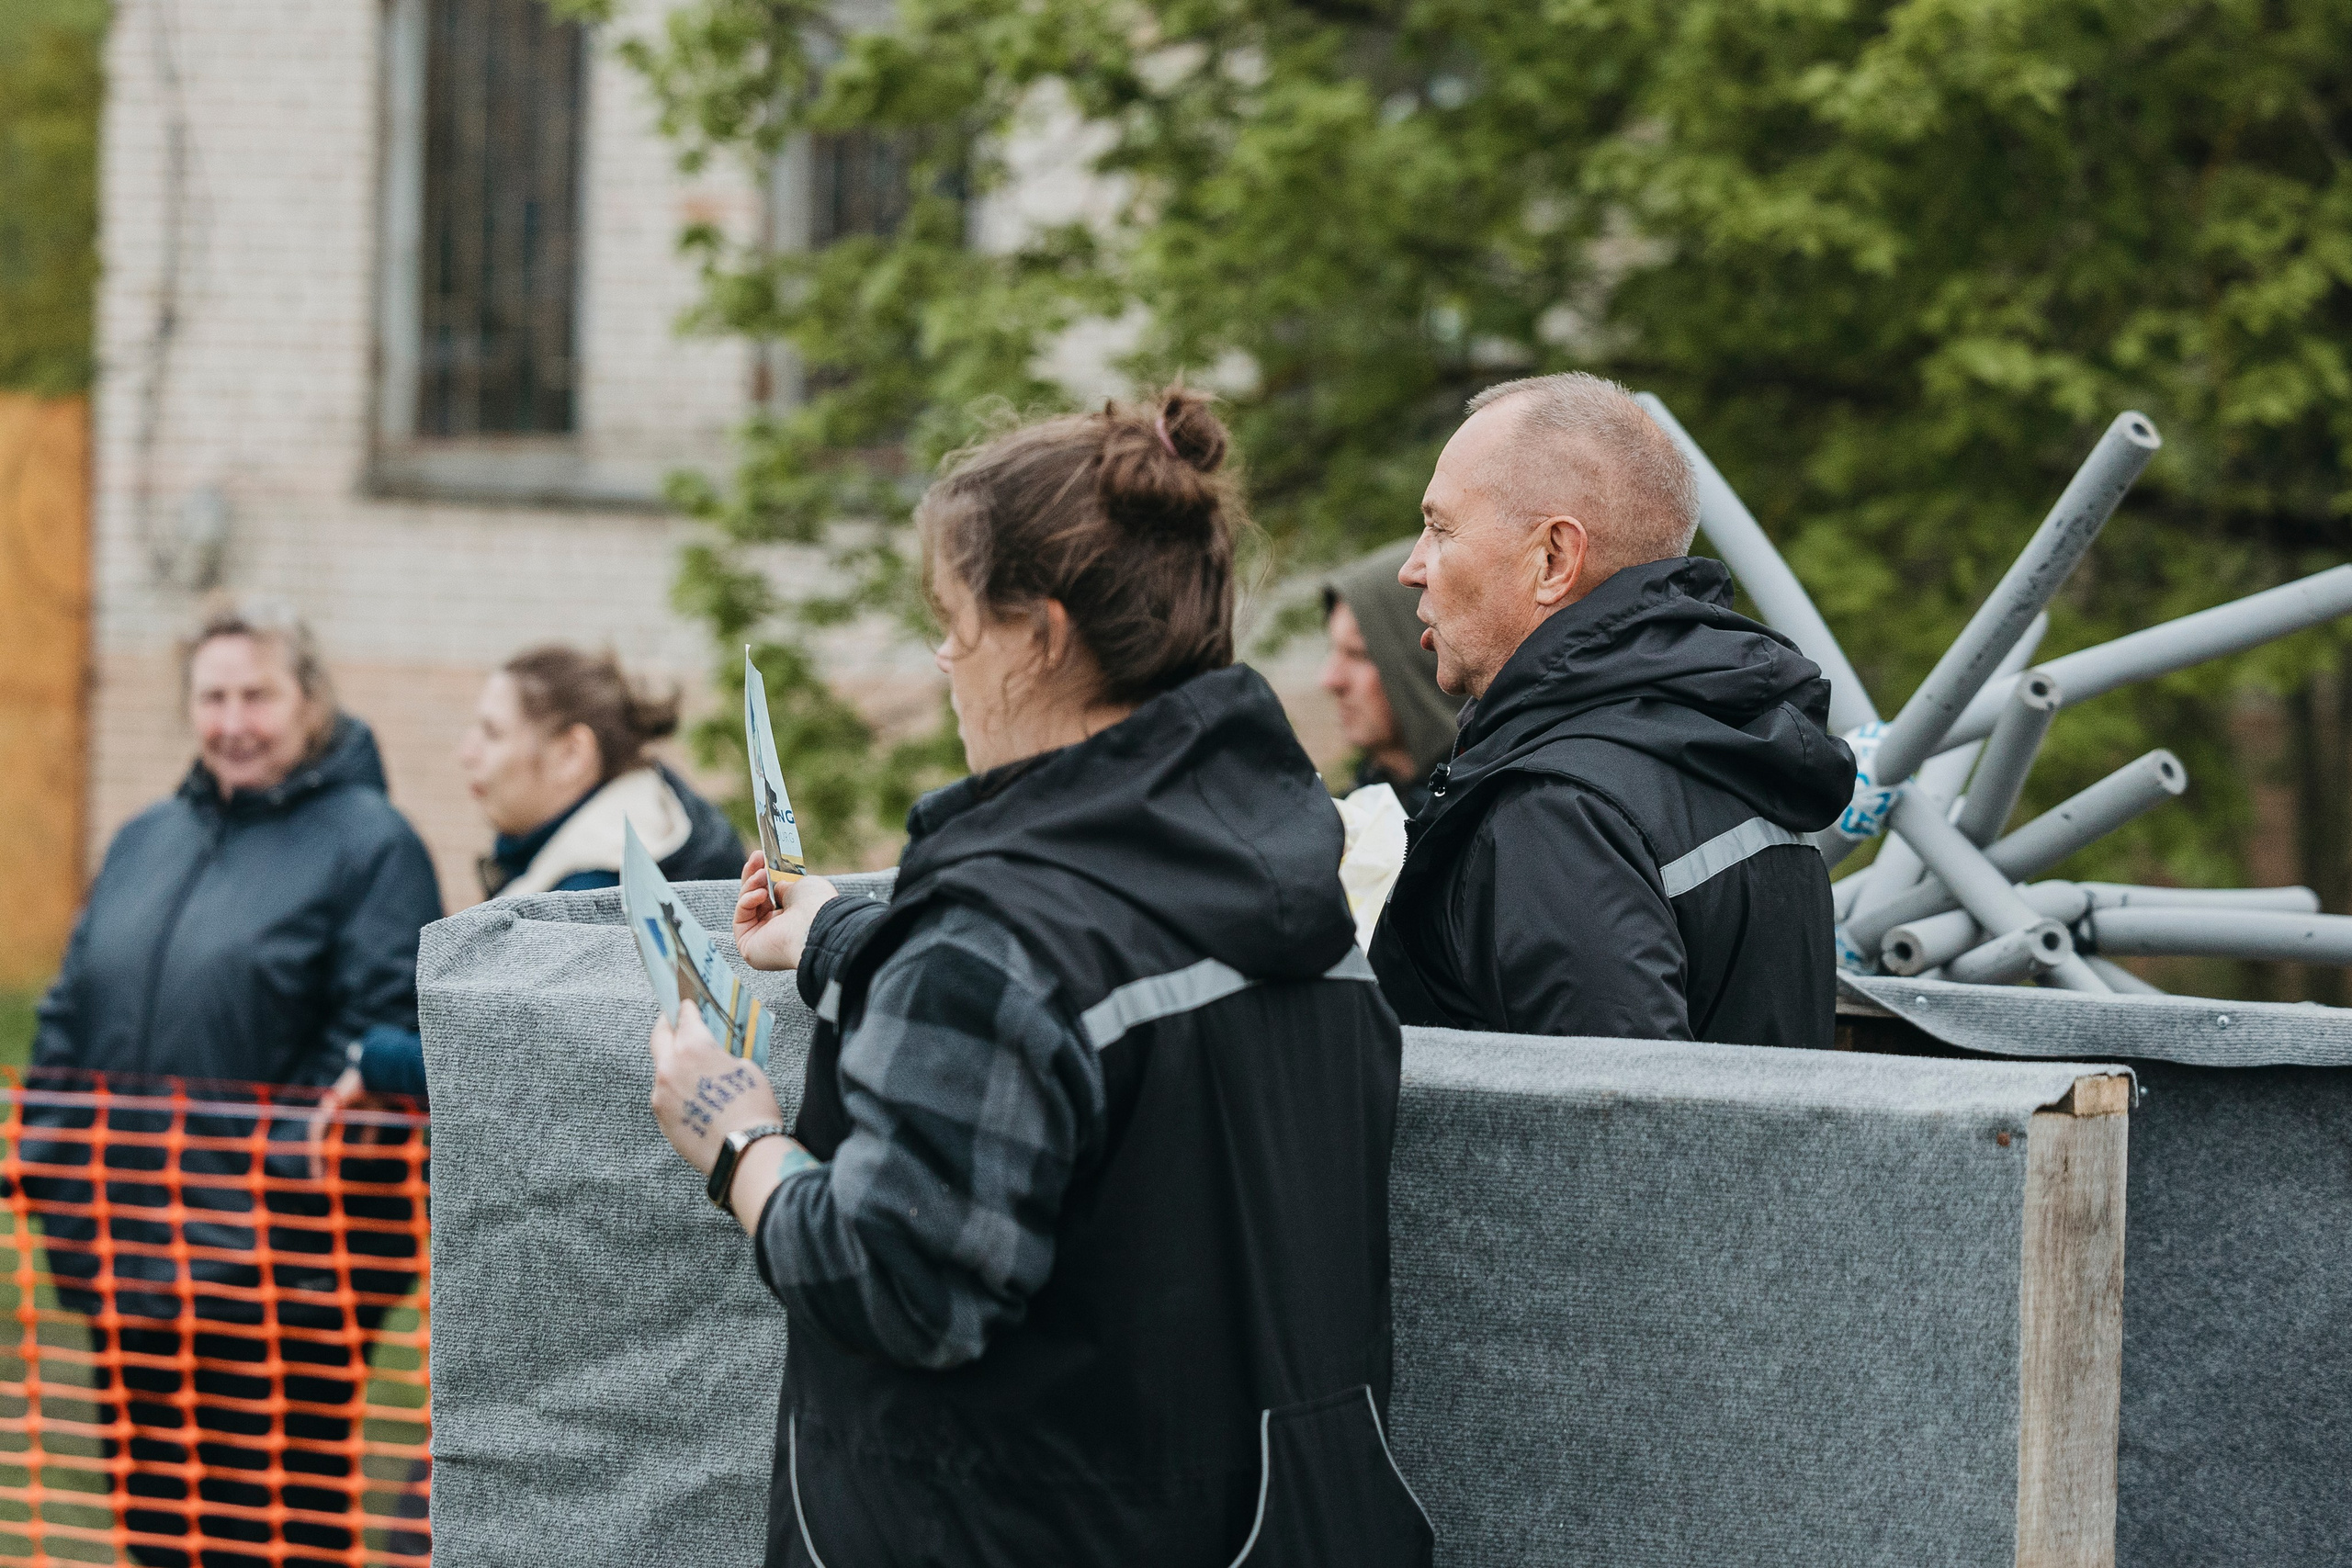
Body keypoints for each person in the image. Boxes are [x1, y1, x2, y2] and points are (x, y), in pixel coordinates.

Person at [647, 389, 1432, 1567]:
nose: (944, 656)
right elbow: (1105, 1028)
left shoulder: (993, 935)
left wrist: (737, 1141)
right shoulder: (1283, 869)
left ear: (1044, 633)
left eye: (954, 619)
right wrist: (840, 939)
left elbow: (899, 1277)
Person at [28, 599, 441, 1567]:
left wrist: (273, 1190)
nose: (233, 722)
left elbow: (382, 1031)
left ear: (310, 703)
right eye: (213, 697)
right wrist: (50, 1179)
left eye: (258, 694)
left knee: (268, 1544)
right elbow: (66, 1015)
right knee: (154, 1534)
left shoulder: (373, 845)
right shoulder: (143, 840)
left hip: (279, 1282)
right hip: (122, 1266)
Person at [1367, 373, 1855, 1049]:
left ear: (1554, 557)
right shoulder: (1733, 743)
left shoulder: (1559, 811)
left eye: (1440, 528)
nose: (1413, 567)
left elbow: (1612, 1133)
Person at [458, 643, 744, 897]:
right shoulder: (659, 829)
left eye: (493, 733)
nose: (467, 754)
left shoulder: (589, 901)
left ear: (571, 754)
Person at [1320, 536, 1459, 814]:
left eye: (1358, 654)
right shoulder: (1345, 830)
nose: (1330, 680)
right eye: (1334, 651)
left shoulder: (1504, 818)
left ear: (1424, 657)